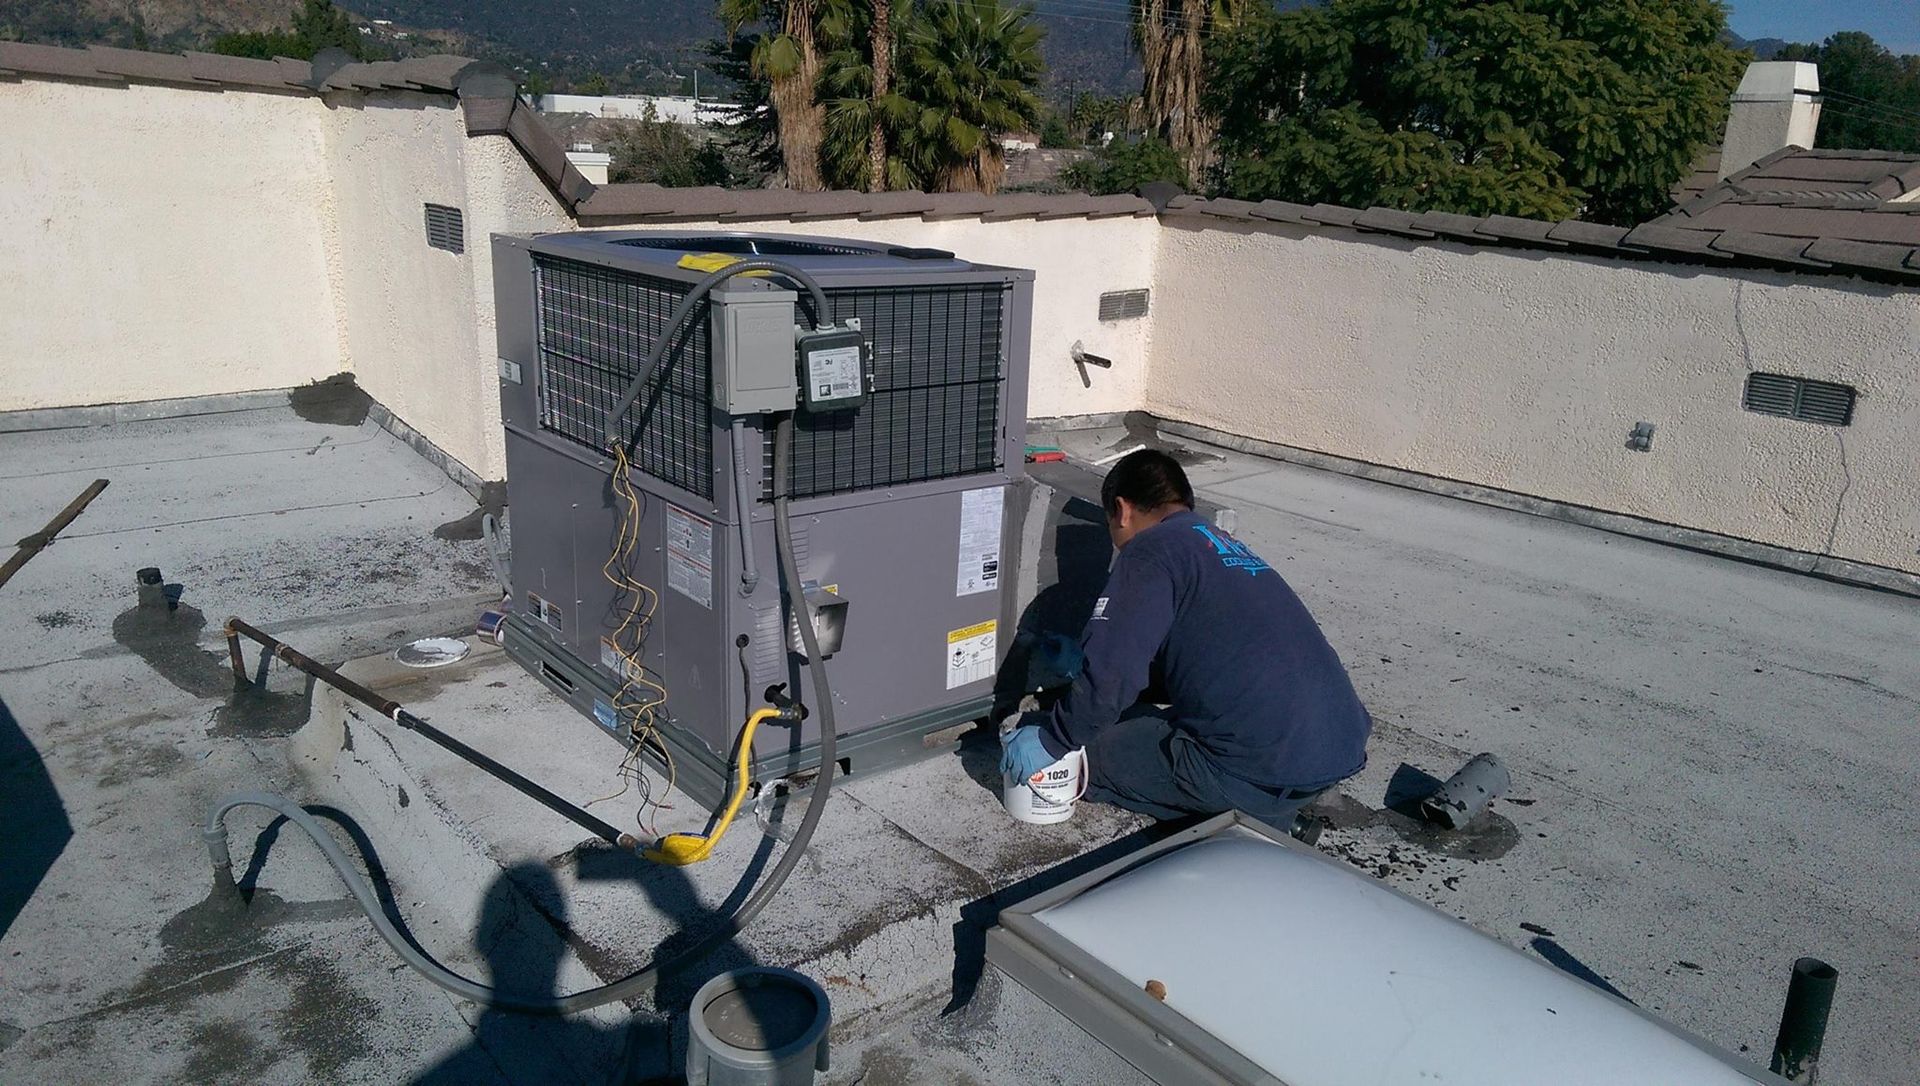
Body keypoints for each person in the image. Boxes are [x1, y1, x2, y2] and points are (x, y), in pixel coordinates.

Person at [1001, 449, 1371, 825]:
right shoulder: (1218, 544)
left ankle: (1256, 822)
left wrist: (1054, 739)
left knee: (1085, 758)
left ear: (1122, 509)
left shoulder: (1148, 552)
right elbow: (1195, 654)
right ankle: (1270, 805)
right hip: (1337, 745)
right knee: (1134, 722)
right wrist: (1085, 659)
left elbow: (1111, 683)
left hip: (1258, 766)